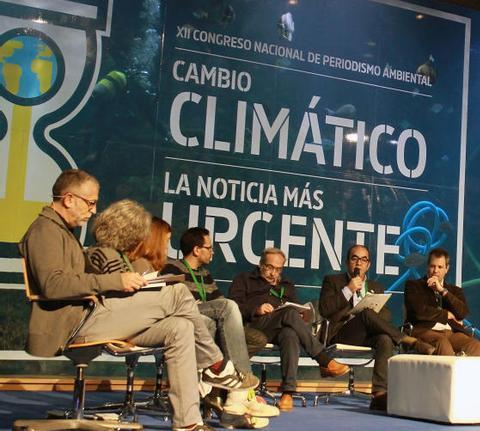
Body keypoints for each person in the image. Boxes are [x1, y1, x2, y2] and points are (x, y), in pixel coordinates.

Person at [20, 170, 256, 431]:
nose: (93, 209)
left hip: (91, 315)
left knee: (181, 327)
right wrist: (116, 282)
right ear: (68, 199)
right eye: (90, 202)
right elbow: (53, 285)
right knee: (177, 293)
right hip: (76, 324)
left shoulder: (63, 231)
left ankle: (188, 422)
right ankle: (215, 365)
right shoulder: (46, 230)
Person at [160, 227, 277, 425]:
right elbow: (173, 303)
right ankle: (240, 393)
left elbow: (218, 303)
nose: (212, 252)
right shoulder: (172, 268)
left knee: (256, 338)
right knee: (218, 314)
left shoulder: (205, 274)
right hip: (187, 318)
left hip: (208, 325)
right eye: (209, 247)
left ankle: (218, 389)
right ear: (197, 250)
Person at [228, 247, 350, 411]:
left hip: (279, 328)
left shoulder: (287, 284)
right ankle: (324, 360)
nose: (273, 273)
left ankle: (288, 393)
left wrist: (301, 315)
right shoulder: (244, 280)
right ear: (260, 264)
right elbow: (232, 308)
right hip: (254, 327)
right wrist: (256, 309)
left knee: (290, 333)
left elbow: (296, 308)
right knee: (289, 315)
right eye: (269, 267)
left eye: (278, 269)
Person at [318, 243, 435, 412]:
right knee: (365, 315)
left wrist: (374, 309)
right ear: (347, 262)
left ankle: (379, 394)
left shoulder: (376, 286)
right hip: (342, 333)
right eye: (355, 258)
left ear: (369, 265)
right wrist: (348, 290)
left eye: (364, 260)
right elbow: (325, 309)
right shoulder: (333, 281)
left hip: (367, 333)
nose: (359, 263)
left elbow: (387, 317)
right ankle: (408, 340)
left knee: (385, 338)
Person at [404, 247, 480, 356]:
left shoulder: (454, 290)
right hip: (424, 330)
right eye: (432, 266)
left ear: (447, 269)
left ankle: (462, 373)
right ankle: (448, 373)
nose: (435, 271)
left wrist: (442, 291)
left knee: (474, 344)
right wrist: (446, 314)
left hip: (451, 333)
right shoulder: (414, 285)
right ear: (427, 267)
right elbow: (419, 312)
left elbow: (462, 313)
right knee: (442, 343)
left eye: (440, 267)